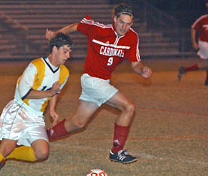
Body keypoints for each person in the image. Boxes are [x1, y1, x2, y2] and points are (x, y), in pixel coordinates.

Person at [45, 3, 152, 164]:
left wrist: (142, 70)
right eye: (121, 22)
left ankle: (41, 136)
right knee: (128, 107)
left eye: (128, 24)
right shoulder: (98, 29)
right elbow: (76, 26)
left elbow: (135, 63)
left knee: (78, 122)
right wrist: (55, 35)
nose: (124, 27)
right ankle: (116, 152)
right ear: (114, 19)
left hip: (102, 82)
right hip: (92, 80)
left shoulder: (132, 37)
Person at [0, 33, 73, 176]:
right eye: (65, 51)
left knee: (42, 152)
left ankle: (4, 158)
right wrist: (49, 93)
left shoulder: (64, 72)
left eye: (70, 52)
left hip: (36, 116)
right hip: (19, 109)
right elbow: (25, 93)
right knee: (7, 146)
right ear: (54, 49)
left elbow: (55, 92)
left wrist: (52, 109)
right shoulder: (35, 66)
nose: (68, 55)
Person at [178, 0, 208, 86]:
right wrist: (194, 42)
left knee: (205, 64)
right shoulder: (203, 19)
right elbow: (193, 28)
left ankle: (185, 69)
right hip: (204, 43)